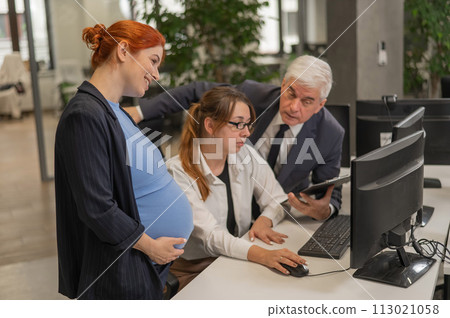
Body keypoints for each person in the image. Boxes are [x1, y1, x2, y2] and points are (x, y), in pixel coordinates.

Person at [54, 20, 193, 300]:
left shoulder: (114, 111)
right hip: (117, 273)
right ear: (123, 51)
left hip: (140, 267)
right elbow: (97, 208)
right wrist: (151, 247)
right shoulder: (85, 115)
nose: (155, 74)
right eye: (152, 62)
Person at [126, 55, 345, 221]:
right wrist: (141, 112)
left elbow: (330, 195)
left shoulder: (331, 134)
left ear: (320, 105)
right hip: (229, 208)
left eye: (306, 101)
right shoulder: (252, 96)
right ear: (283, 84)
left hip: (281, 216)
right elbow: (195, 91)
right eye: (290, 93)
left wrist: (324, 209)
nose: (294, 107)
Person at [165, 86, 307, 291]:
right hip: (195, 270)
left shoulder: (245, 154)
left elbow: (277, 198)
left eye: (248, 125)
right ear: (210, 125)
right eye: (238, 124)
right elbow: (212, 237)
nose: (247, 133)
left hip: (235, 259)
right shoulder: (177, 172)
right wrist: (263, 255)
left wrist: (265, 220)